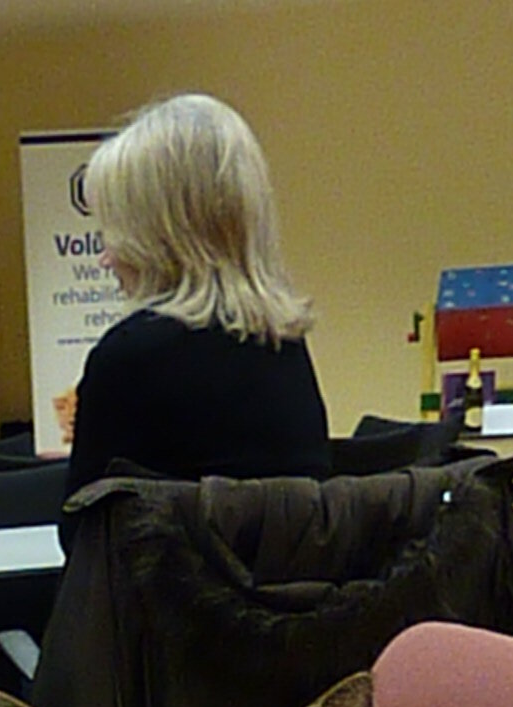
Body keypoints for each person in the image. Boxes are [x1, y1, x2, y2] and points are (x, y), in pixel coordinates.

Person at [64, 93, 330, 500]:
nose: (105, 258)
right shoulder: (284, 346)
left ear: (156, 237)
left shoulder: (126, 359)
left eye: (114, 233)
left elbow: (84, 536)